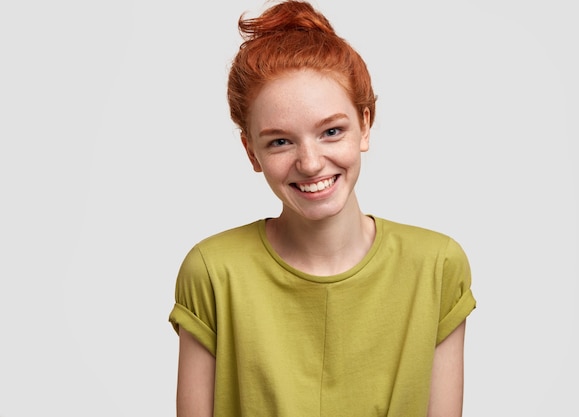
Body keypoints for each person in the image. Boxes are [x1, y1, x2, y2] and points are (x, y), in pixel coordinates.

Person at [168, 1, 476, 416]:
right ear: (251, 151)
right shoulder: (212, 271)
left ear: (365, 125)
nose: (310, 163)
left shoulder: (437, 266)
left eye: (331, 131)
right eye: (280, 141)